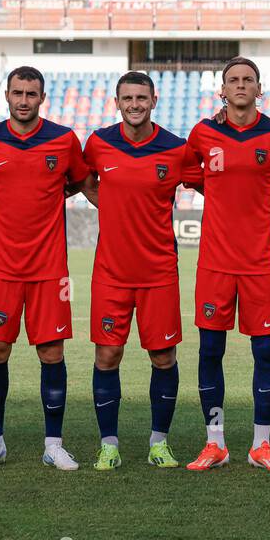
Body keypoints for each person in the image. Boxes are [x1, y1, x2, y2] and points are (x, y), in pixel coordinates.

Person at [182, 56, 270, 472]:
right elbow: (188, 173)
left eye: (248, 80)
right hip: (215, 263)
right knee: (210, 350)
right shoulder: (203, 133)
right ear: (222, 90)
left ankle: (262, 444)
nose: (240, 85)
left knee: (265, 351)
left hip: (261, 262)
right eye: (233, 80)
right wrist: (227, 198)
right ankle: (215, 442)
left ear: (259, 89)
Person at [0, 66, 89, 471]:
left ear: (42, 98)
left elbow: (89, 185)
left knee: (51, 352)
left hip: (50, 268)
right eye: (17, 92)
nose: (23, 100)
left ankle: (53, 444)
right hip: (0, 267)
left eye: (31, 93)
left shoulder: (63, 140)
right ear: (6, 95)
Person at [79, 71, 202, 471]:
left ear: (154, 100)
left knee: (163, 357)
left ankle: (159, 444)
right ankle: (109, 445)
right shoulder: (98, 143)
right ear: (117, 102)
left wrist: (266, 217)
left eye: (141, 98)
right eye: (127, 98)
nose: (134, 104)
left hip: (159, 272)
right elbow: (81, 181)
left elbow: (218, 188)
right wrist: (113, 206)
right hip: (111, 272)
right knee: (107, 355)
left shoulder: (175, 148)